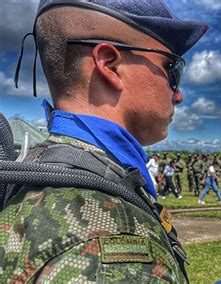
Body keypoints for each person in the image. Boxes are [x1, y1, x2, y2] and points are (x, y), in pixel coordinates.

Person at [0, 1, 207, 282]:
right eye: (172, 68)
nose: (179, 94)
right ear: (110, 65)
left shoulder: (31, 172)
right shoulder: (111, 245)